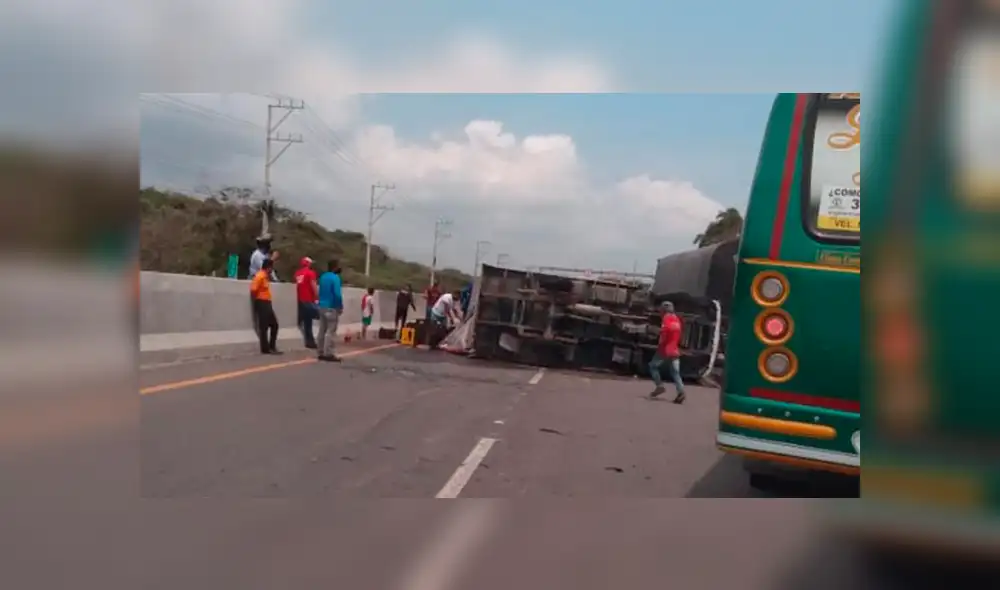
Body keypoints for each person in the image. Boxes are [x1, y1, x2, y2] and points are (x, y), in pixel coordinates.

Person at [649, 301, 686, 403]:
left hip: (665, 349)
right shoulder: (677, 319)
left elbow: (664, 331)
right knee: (675, 372)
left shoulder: (666, 318)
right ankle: (681, 392)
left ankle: (659, 386)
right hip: (674, 349)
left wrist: (652, 330)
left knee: (653, 366)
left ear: (664, 310)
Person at [248, 234, 279, 336]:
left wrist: (276, 280)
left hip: (266, 295)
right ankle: (265, 346)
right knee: (264, 325)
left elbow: (270, 271)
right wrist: (273, 259)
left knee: (272, 324)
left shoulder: (265, 256)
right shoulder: (257, 255)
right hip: (260, 295)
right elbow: (264, 268)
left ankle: (269, 346)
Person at [250, 258, 280, 355]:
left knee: (274, 325)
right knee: (264, 327)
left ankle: (271, 346)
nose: (272, 270)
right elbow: (253, 289)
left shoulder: (265, 276)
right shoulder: (260, 276)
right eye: (271, 268)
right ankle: (266, 348)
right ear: (268, 267)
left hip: (267, 302)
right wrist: (257, 300)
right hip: (262, 302)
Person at [316, 259, 344, 362]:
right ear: (335, 267)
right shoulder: (335, 278)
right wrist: (340, 306)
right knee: (331, 331)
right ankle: (329, 353)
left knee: (322, 330)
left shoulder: (323, 277)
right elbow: (337, 294)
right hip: (331, 307)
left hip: (321, 306)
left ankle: (320, 351)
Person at [293, 256, 318, 349]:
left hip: (300, 301)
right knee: (323, 316)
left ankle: (310, 342)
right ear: (308, 264)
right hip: (309, 300)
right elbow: (313, 286)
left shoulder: (297, 273)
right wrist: (317, 297)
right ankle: (318, 341)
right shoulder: (311, 273)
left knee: (307, 322)